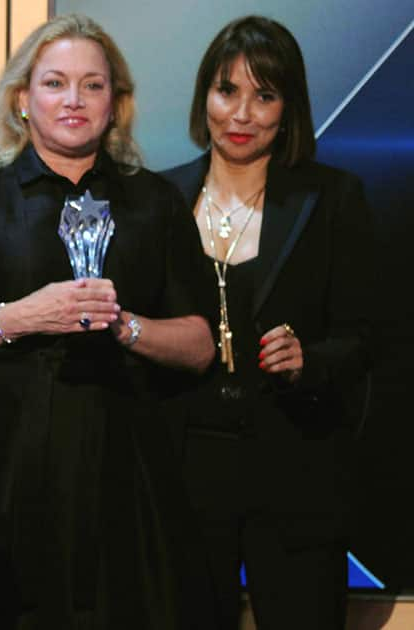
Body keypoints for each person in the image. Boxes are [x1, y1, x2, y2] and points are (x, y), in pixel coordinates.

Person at [0, 14, 217, 629]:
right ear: (21, 99)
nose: (73, 100)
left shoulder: (156, 201)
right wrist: (25, 316)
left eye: (93, 85)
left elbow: (200, 345)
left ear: (116, 104)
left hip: (125, 479)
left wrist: (124, 327)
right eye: (55, 82)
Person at [161, 15, 374, 630]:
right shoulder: (160, 199)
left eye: (265, 95)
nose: (242, 114)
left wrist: (311, 358)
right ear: (205, 96)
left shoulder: (333, 199)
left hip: (297, 473)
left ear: (290, 108)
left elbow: (369, 337)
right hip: (186, 474)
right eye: (227, 91)